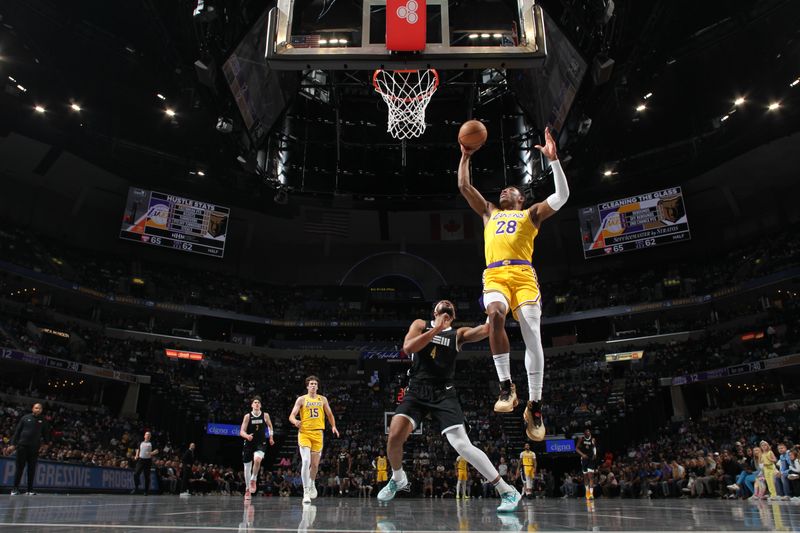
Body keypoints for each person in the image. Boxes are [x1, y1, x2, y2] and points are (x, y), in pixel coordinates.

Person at [457, 126, 569, 441]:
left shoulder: (532, 214)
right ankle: (507, 387)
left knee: (532, 334)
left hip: (523, 275)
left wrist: (554, 161)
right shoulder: (489, 212)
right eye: (503, 189)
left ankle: (535, 404)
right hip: (494, 273)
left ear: (521, 198)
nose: (505, 190)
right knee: (494, 316)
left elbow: (562, 197)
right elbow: (464, 186)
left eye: (511, 189)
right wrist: (465, 156)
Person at [377, 300, 522, 512]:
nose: (446, 305)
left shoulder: (458, 334)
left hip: (444, 394)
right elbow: (408, 347)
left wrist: (494, 308)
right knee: (395, 436)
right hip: (417, 390)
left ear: (452, 317)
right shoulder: (420, 325)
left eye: (450, 307)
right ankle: (398, 478)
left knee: (463, 446)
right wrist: (436, 328)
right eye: (442, 305)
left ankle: (507, 490)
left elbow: (487, 329)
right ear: (435, 312)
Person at [289, 375, 340, 504]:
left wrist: (333, 426)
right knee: (306, 461)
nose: (313, 385)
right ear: (307, 386)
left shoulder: (323, 399)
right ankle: (306, 492)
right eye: (311, 383)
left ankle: (311, 483)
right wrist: (295, 421)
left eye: (315, 384)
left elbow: (329, 414)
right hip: (305, 433)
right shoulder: (301, 399)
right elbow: (291, 416)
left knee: (315, 465)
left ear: (317, 386)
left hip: (318, 434)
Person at [6, 402, 51, 496]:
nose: (37, 409)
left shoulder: (43, 420)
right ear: (32, 409)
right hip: (22, 446)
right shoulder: (25, 418)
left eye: (39, 408)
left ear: (41, 410)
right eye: (36, 408)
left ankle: (30, 490)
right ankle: (15, 489)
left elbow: (46, 433)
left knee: (31, 469)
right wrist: (12, 444)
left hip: (34, 448)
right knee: (19, 468)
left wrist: (46, 444)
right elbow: (17, 431)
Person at [240, 397, 275, 498]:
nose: (256, 404)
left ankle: (253, 478)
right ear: (252, 405)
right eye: (255, 402)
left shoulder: (265, 415)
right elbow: (241, 431)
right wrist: (247, 436)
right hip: (249, 443)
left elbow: (270, 426)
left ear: (260, 405)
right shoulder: (247, 416)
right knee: (247, 468)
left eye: (258, 402)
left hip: (261, 442)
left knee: (258, 460)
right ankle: (247, 489)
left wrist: (271, 437)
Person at [576, 428, 597, 500]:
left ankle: (591, 494)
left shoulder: (593, 439)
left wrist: (595, 454)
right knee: (585, 477)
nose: (588, 433)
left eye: (589, 432)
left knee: (591, 476)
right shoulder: (581, 439)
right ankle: (587, 492)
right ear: (584, 434)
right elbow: (576, 449)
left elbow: (594, 447)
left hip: (591, 459)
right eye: (587, 433)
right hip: (584, 459)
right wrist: (582, 454)